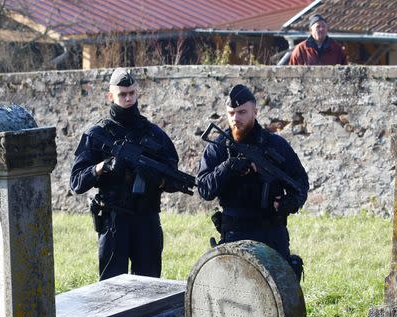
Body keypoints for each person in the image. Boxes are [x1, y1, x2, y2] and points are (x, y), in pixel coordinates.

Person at [70, 68, 181, 280]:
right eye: (122, 94)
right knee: (112, 289)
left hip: (146, 219)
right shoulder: (97, 134)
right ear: (110, 96)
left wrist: (156, 178)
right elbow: (76, 182)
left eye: (132, 93)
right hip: (114, 221)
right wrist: (102, 167)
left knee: (149, 287)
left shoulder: (154, 133)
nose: (128, 98)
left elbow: (174, 178)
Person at [197, 84, 308, 272]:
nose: (235, 118)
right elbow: (204, 189)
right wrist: (228, 167)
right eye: (231, 113)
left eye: (242, 112)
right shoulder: (218, 147)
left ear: (255, 112)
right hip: (234, 231)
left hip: (271, 231)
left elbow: (300, 183)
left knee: (280, 289)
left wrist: (290, 203)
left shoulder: (275, 145)